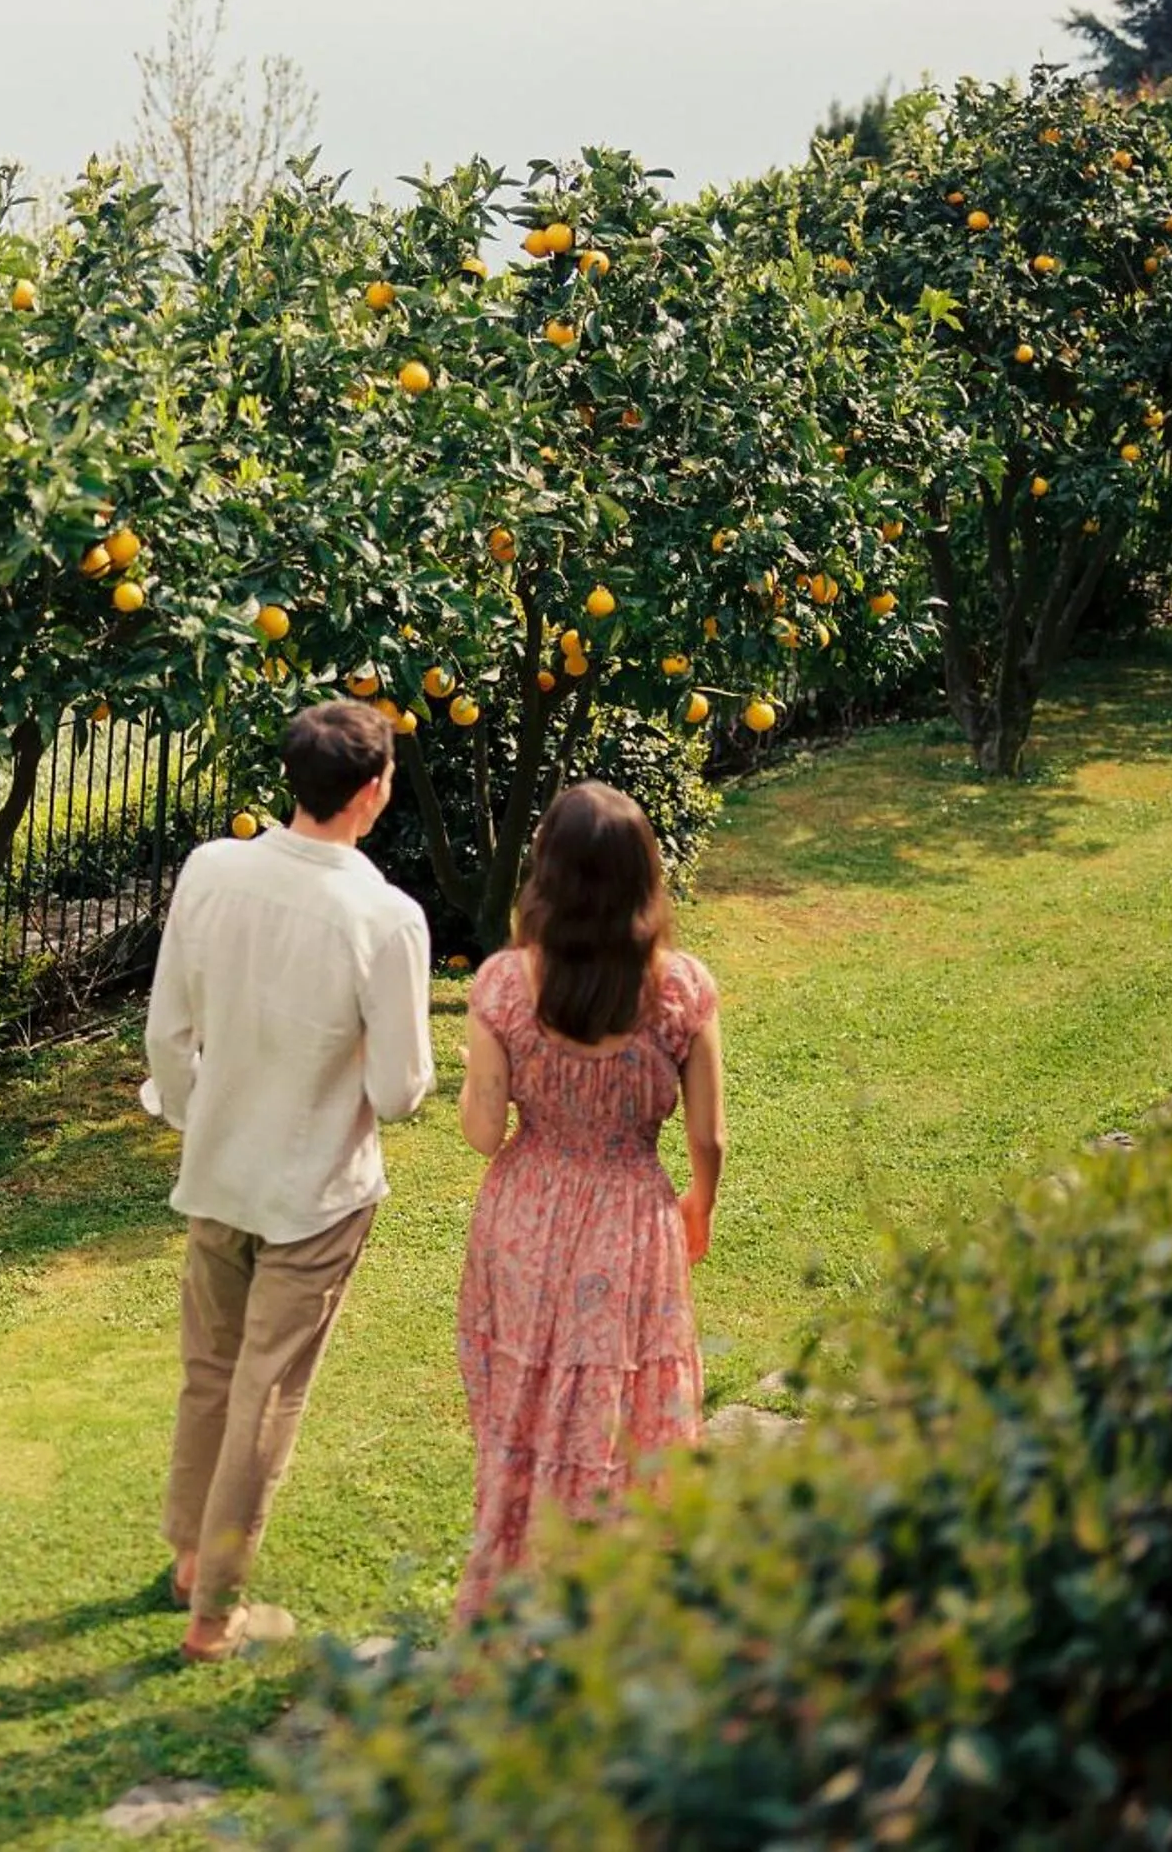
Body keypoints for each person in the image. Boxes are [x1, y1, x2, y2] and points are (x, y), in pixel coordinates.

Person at [143, 699, 435, 1662]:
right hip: (314, 1192)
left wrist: (197, 1112)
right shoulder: (384, 917)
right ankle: (213, 1612)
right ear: (373, 790)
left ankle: (190, 1562)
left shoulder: (210, 869)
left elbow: (166, 1034)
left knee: (209, 1375)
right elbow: (398, 1093)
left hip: (218, 1168)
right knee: (265, 1394)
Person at [452, 779, 726, 1620]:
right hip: (629, 1217)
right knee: (625, 1405)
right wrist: (698, 1207)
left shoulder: (503, 986)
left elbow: (481, 1130)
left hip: (527, 1216)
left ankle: (515, 1587)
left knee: (528, 1405)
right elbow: (709, 1136)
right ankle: (619, 1600)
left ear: (545, 876)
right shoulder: (681, 989)